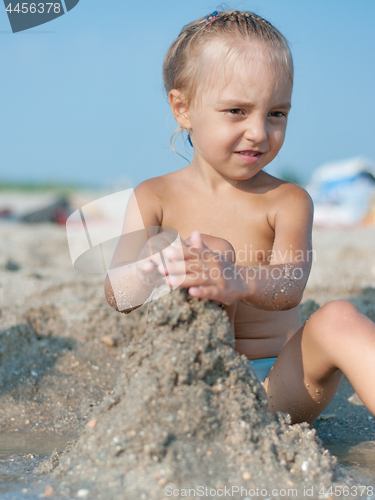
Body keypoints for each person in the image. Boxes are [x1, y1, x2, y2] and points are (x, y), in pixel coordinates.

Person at [105, 10, 375, 425]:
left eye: (276, 113)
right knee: (205, 249)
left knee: (339, 317)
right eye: (236, 111)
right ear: (184, 108)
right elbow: (116, 294)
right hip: (193, 387)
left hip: (277, 387)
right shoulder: (153, 195)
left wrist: (239, 279)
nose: (258, 132)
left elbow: (289, 285)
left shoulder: (286, 200)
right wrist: (152, 267)